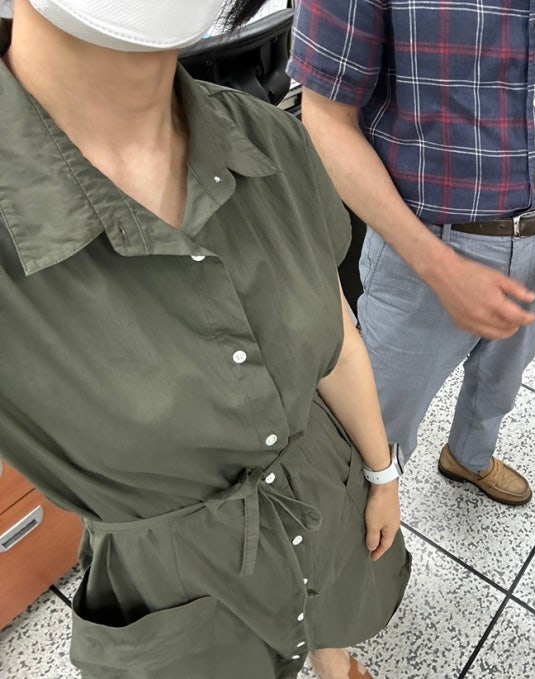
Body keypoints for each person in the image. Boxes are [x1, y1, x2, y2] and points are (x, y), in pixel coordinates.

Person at [0, 1, 410, 678]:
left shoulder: (271, 139)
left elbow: (335, 337)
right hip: (181, 594)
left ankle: (333, 658)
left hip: (323, 494)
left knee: (333, 610)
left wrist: (381, 473)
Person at [288, 1, 535, 505]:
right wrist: (436, 264)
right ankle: (359, 520)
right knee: (374, 424)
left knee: (501, 380)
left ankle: (468, 456)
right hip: (419, 241)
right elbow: (325, 116)